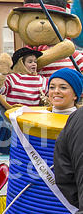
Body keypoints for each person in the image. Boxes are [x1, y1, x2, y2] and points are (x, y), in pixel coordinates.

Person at [55, 69, 83, 210]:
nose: (56, 91)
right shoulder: (27, 117)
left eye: (63, 87)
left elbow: (64, 174)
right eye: (52, 87)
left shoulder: (75, 119)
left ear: (76, 95)